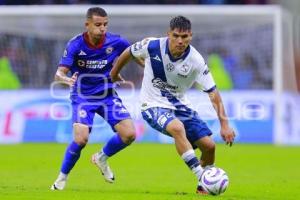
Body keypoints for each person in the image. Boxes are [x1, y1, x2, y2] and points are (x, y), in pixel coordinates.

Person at [110, 16, 235, 194]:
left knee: (209, 146)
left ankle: (203, 189)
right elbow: (129, 51)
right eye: (176, 36)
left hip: (180, 106)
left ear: (191, 36)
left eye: (184, 37)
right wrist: (114, 73)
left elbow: (213, 93)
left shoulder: (196, 60)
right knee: (177, 128)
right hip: (151, 104)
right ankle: (202, 176)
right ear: (168, 34)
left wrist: (225, 125)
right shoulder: (152, 46)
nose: (180, 41)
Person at [51, 7, 137, 190]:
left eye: (105, 24)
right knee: (81, 139)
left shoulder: (117, 41)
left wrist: (118, 71)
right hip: (83, 97)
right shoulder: (75, 44)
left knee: (129, 134)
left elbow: (133, 54)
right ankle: (61, 178)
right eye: (98, 25)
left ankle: (101, 158)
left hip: (107, 95)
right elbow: (58, 73)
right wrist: (66, 79)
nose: (103, 28)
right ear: (87, 24)